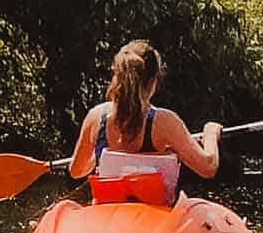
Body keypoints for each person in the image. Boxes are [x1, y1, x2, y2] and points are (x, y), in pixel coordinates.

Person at [68, 39, 223, 207]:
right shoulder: (165, 122)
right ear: (153, 81)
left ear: (117, 77)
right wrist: (210, 134)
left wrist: (100, 154)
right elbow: (208, 167)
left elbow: (76, 171)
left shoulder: (96, 117)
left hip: (107, 215)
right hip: (153, 220)